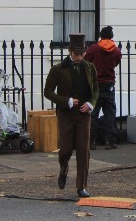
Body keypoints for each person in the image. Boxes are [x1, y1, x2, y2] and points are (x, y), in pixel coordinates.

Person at [44, 33, 98, 199]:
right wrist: (65, 101)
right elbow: (47, 91)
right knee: (65, 149)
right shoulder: (58, 69)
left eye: (82, 54)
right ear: (69, 51)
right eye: (76, 54)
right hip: (66, 114)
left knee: (83, 150)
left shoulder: (90, 68)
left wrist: (91, 104)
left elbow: (95, 90)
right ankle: (63, 169)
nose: (79, 58)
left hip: (83, 115)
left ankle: (81, 186)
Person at [84, 25, 121, 150]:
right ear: (111, 36)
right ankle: (110, 141)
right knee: (110, 114)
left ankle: (91, 142)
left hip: (95, 84)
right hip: (109, 84)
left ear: (101, 35)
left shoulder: (93, 49)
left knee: (93, 113)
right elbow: (115, 63)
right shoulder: (116, 51)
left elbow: (86, 61)